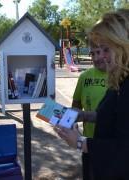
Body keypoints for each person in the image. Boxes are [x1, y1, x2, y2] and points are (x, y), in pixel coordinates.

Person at [55, 9, 129, 180]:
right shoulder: (119, 80)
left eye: (106, 49)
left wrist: (81, 143)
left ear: (123, 46)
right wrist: (84, 115)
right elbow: (116, 117)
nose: (101, 57)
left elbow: (124, 149)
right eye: (97, 50)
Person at [72, 43, 108, 179]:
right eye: (92, 54)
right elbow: (76, 104)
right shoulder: (84, 77)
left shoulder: (120, 77)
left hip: (111, 144)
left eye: (99, 52)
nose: (96, 58)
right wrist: (71, 122)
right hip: (88, 143)